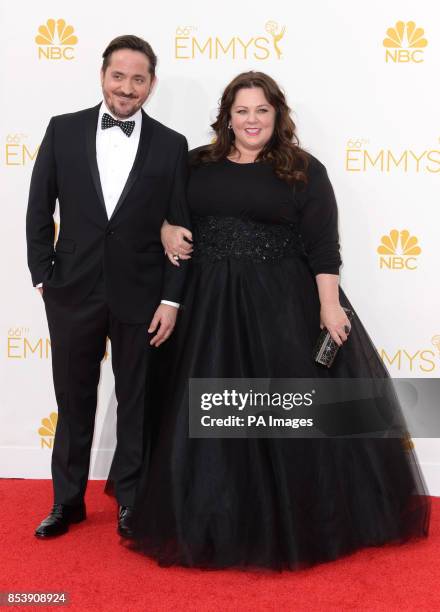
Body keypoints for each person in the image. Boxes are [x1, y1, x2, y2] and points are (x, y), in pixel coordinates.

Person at [126, 71, 431, 570]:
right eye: (241, 111)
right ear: (227, 116)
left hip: (281, 304)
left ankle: (297, 521)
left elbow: (322, 245)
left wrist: (329, 306)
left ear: (277, 115)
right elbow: (169, 213)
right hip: (207, 308)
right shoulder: (195, 165)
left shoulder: (303, 169)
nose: (251, 120)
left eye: (261, 111)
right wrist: (164, 227)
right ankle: (214, 519)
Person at [26, 35, 190, 539]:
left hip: (142, 293)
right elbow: (38, 209)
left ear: (152, 84)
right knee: (73, 398)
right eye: (118, 76)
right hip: (72, 290)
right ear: (102, 76)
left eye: (138, 78)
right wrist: (43, 277)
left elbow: (181, 229)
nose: (127, 87)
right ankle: (66, 502)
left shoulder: (171, 144)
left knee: (137, 403)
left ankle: (131, 503)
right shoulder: (64, 130)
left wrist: (171, 297)